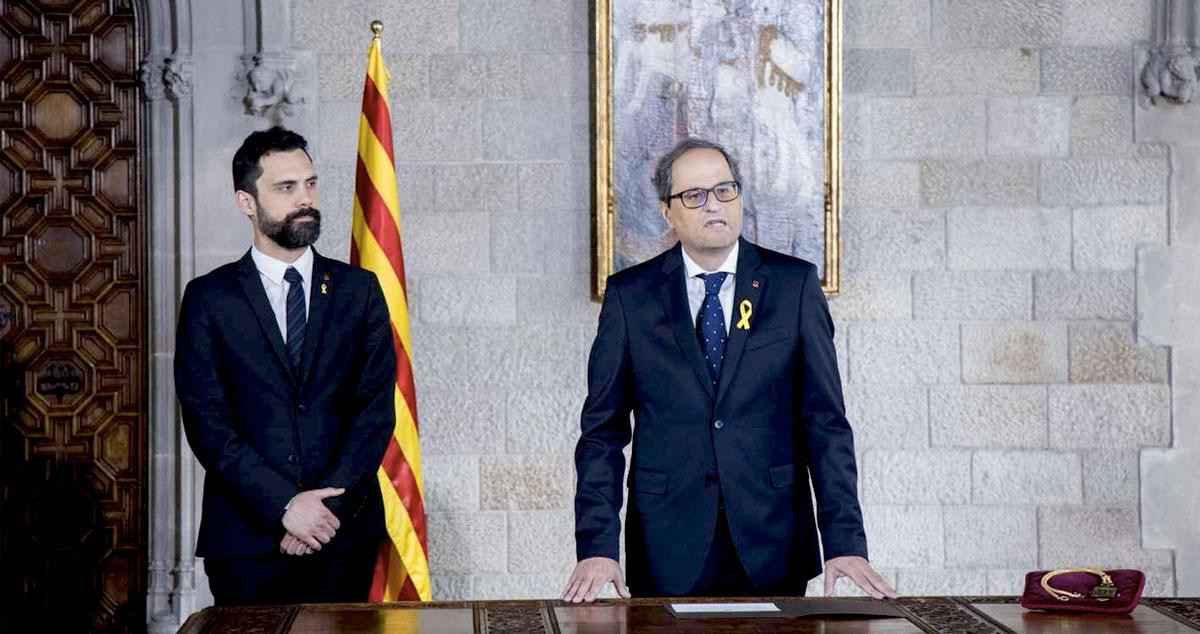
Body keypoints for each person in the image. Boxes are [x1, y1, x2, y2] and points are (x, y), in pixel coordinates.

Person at [563, 138, 897, 601]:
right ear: (667, 211)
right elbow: (602, 432)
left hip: (773, 537)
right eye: (694, 195)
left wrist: (844, 542)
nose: (713, 205)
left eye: (725, 190)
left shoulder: (793, 286)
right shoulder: (630, 297)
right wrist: (597, 547)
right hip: (667, 543)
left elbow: (826, 424)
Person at [174, 126, 395, 605]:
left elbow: (374, 413)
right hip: (246, 540)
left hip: (342, 536)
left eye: (311, 184)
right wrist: (285, 505)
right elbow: (207, 423)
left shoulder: (360, 291)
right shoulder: (210, 299)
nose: (306, 199)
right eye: (286, 187)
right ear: (246, 202)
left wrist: (320, 513)